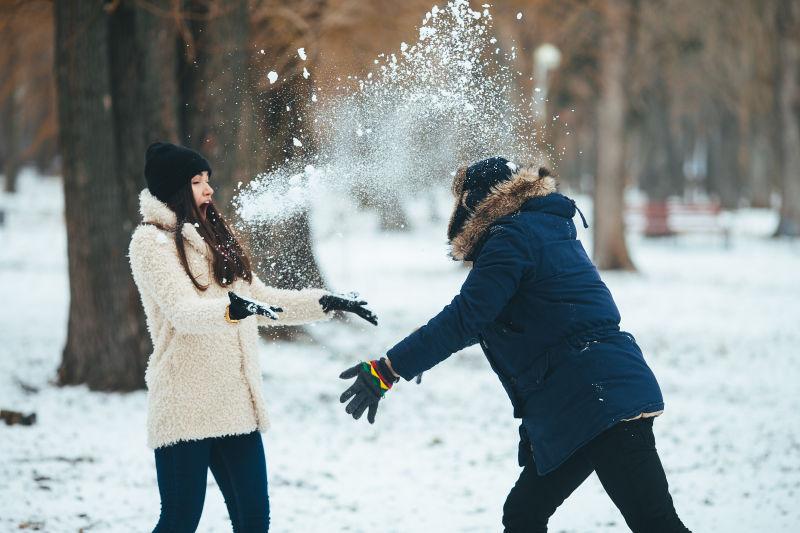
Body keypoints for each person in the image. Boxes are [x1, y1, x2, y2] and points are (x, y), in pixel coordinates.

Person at [338, 157, 691, 533]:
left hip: (597, 398)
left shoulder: (512, 239)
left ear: (476, 203)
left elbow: (465, 318)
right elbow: (490, 318)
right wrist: (421, 357)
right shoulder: (542, 229)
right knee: (524, 513)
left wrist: (389, 369)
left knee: (654, 523)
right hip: (588, 396)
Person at [129, 142, 376, 532]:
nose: (208, 189)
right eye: (197, 181)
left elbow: (262, 299)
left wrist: (325, 302)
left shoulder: (213, 233)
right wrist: (233, 309)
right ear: (174, 189)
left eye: (207, 180)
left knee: (254, 522)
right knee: (179, 520)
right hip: (184, 404)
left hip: (234, 404)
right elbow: (183, 312)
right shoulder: (150, 242)